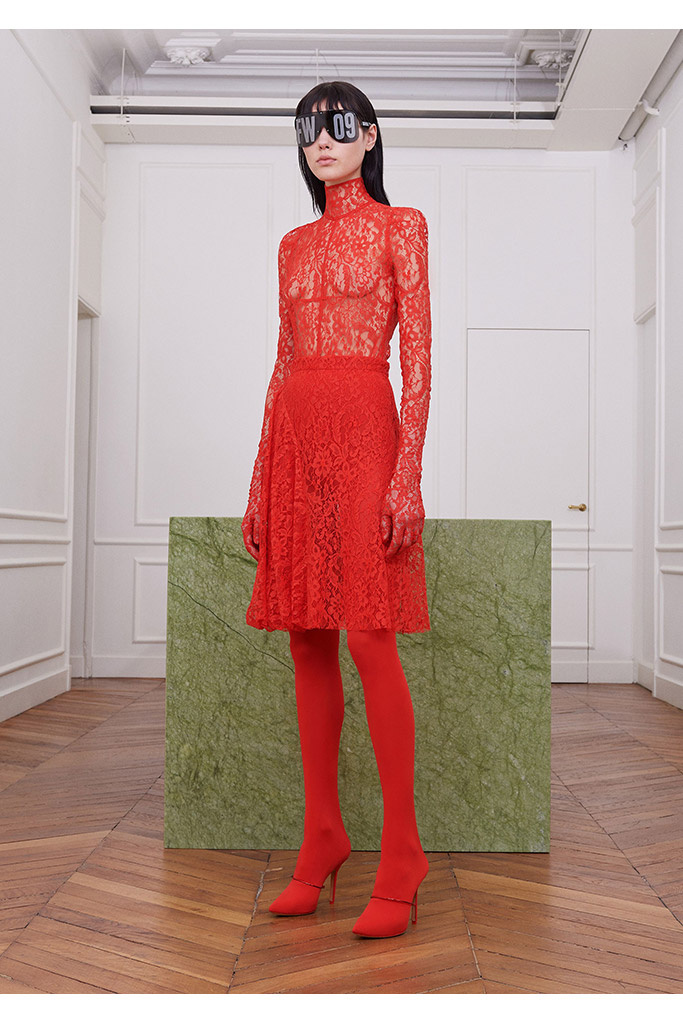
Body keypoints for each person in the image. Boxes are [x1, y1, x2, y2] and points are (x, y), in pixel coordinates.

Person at [241, 80, 432, 939]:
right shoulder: (291, 244)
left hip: (365, 426)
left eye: (338, 126)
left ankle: (403, 854)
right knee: (306, 636)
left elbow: (418, 358)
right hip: (295, 434)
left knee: (366, 633)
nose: (321, 141)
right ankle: (322, 837)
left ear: (369, 136)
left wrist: (407, 475)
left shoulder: (402, 227)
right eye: (308, 129)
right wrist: (259, 480)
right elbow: (281, 363)